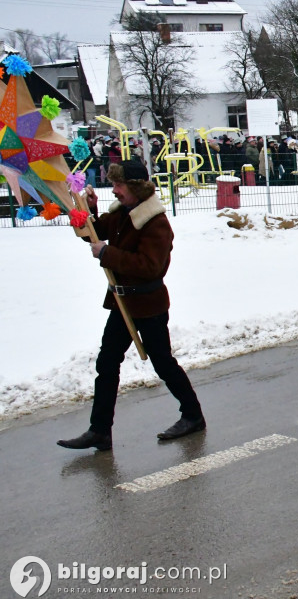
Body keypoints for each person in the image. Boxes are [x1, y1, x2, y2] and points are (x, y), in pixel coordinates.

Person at [58, 161, 205, 451]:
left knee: (162, 363)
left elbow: (149, 267)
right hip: (122, 303)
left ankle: (193, 415)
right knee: (107, 363)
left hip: (148, 305)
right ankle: (99, 430)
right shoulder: (122, 213)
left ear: (135, 187)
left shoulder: (156, 223)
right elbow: (94, 233)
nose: (114, 190)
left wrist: (108, 254)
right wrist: (87, 210)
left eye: (119, 185)